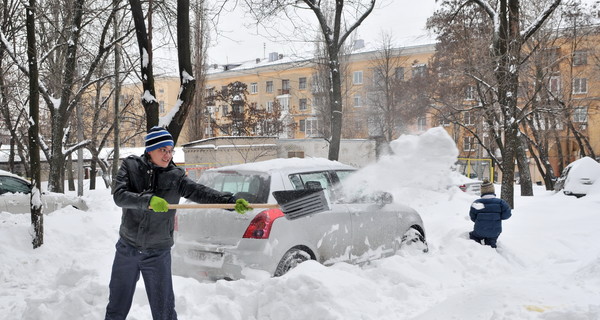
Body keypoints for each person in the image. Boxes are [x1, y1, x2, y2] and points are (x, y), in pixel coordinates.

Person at [105, 126, 248, 320]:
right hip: (127, 248)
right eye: (162, 150)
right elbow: (119, 196)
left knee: (164, 312)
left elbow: (200, 192)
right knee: (116, 308)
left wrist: (229, 202)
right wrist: (148, 201)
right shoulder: (130, 166)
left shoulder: (175, 176)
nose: (168, 155)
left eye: (170, 150)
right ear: (149, 150)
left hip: (157, 253)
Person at [468, 179, 512, 248]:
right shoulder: (501, 203)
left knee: (474, 237)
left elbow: (473, 217)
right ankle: (492, 249)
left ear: (482, 191)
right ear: (493, 190)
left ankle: (476, 249)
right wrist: (498, 217)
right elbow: (507, 215)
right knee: (491, 242)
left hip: (479, 230)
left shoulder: (477, 202)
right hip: (494, 231)